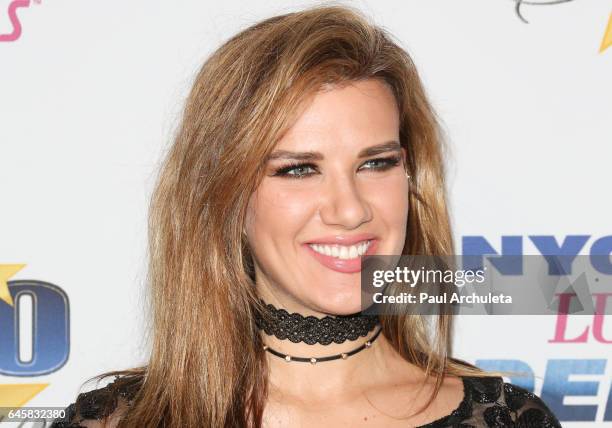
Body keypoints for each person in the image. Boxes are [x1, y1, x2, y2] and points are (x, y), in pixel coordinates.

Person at [51, 4, 561, 427]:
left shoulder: (508, 419)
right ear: (226, 196)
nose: (350, 210)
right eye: (298, 170)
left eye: (376, 163)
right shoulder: (117, 421)